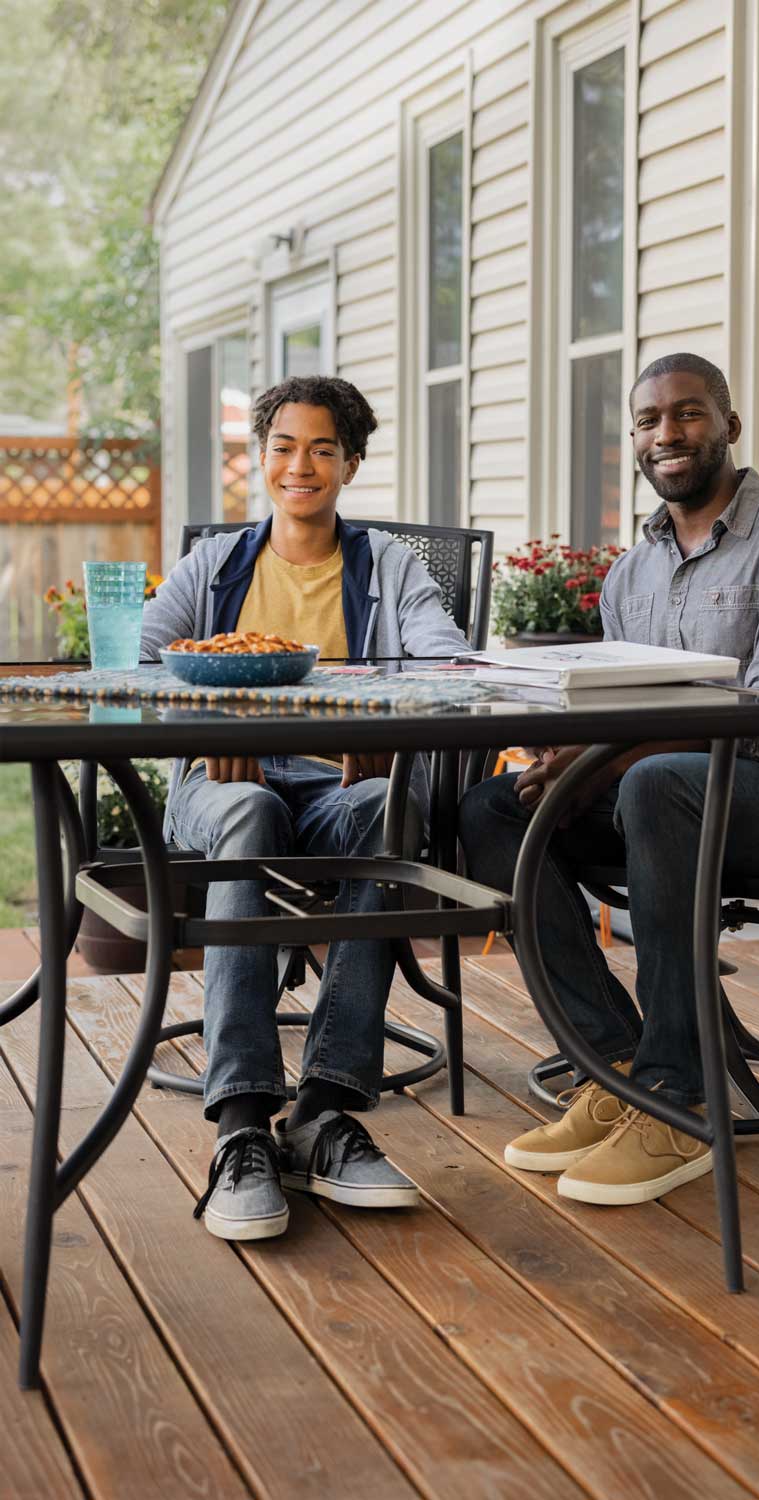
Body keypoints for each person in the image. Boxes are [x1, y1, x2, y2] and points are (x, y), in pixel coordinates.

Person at [459, 352, 759, 1208]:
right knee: (495, 808)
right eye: (648, 421)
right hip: (664, 794)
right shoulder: (631, 570)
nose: (666, 434)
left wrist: (611, 756)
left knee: (655, 784)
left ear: (728, 426)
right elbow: (615, 701)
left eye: (687, 414)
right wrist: (561, 758)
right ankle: (612, 1065)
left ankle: (675, 1098)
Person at [141, 374, 469, 1240]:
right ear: (261, 459)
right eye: (284, 446)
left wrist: (385, 707)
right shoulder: (215, 564)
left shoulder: (386, 565)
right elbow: (141, 661)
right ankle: (242, 1122)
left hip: (336, 783)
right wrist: (210, 710)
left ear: (350, 463)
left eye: (323, 447)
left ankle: (323, 1108)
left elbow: (444, 658)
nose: (301, 464)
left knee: (381, 810)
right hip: (220, 784)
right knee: (247, 805)